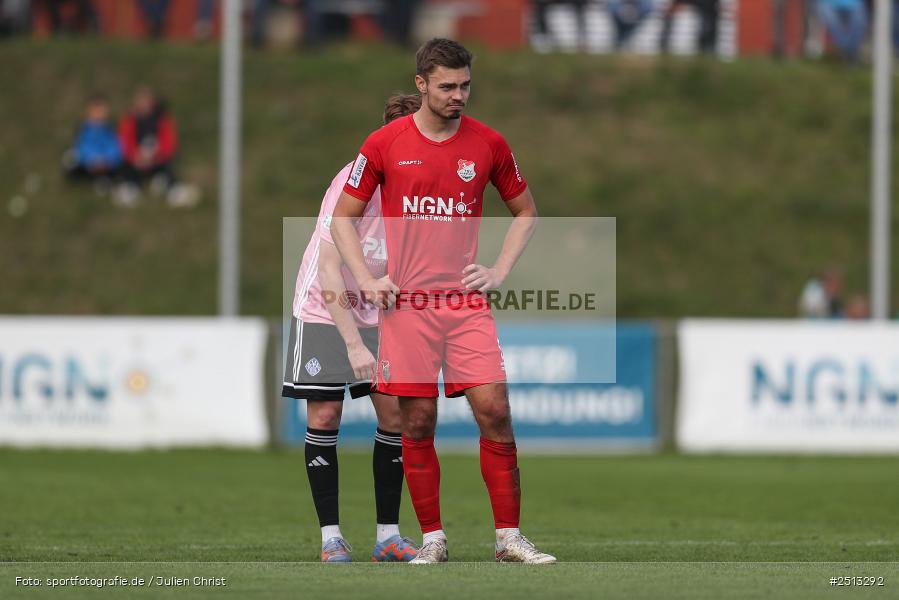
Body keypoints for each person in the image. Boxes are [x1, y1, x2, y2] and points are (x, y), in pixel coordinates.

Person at [331, 38, 556, 564]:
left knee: (495, 410)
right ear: (422, 85)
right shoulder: (383, 144)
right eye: (448, 87)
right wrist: (366, 277)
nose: (459, 96)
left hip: (464, 304)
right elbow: (343, 218)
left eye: (465, 86)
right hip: (406, 306)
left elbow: (527, 212)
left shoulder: (489, 144)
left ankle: (508, 538)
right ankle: (432, 538)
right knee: (417, 422)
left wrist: (499, 268)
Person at [283, 94, 423, 563]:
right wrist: (352, 345)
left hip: (380, 312)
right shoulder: (353, 182)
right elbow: (328, 271)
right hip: (327, 310)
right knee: (325, 417)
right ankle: (331, 538)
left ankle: (387, 537)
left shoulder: (426, 190)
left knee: (397, 417)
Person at [116, 87, 198, 208]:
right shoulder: (129, 119)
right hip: (136, 161)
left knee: (168, 166)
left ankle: (172, 190)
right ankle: (130, 188)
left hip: (157, 160)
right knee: (127, 168)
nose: (144, 105)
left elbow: (169, 142)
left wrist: (157, 157)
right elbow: (124, 141)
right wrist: (135, 157)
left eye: (147, 101)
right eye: (141, 101)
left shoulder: (162, 119)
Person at [62, 94, 123, 192]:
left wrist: (106, 160)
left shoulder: (109, 129)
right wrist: (92, 160)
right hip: (90, 165)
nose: (99, 114)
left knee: (121, 169)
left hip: (106, 165)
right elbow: (81, 147)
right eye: (95, 111)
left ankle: (105, 182)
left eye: (101, 111)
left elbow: (115, 147)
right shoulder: (84, 129)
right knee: (74, 167)